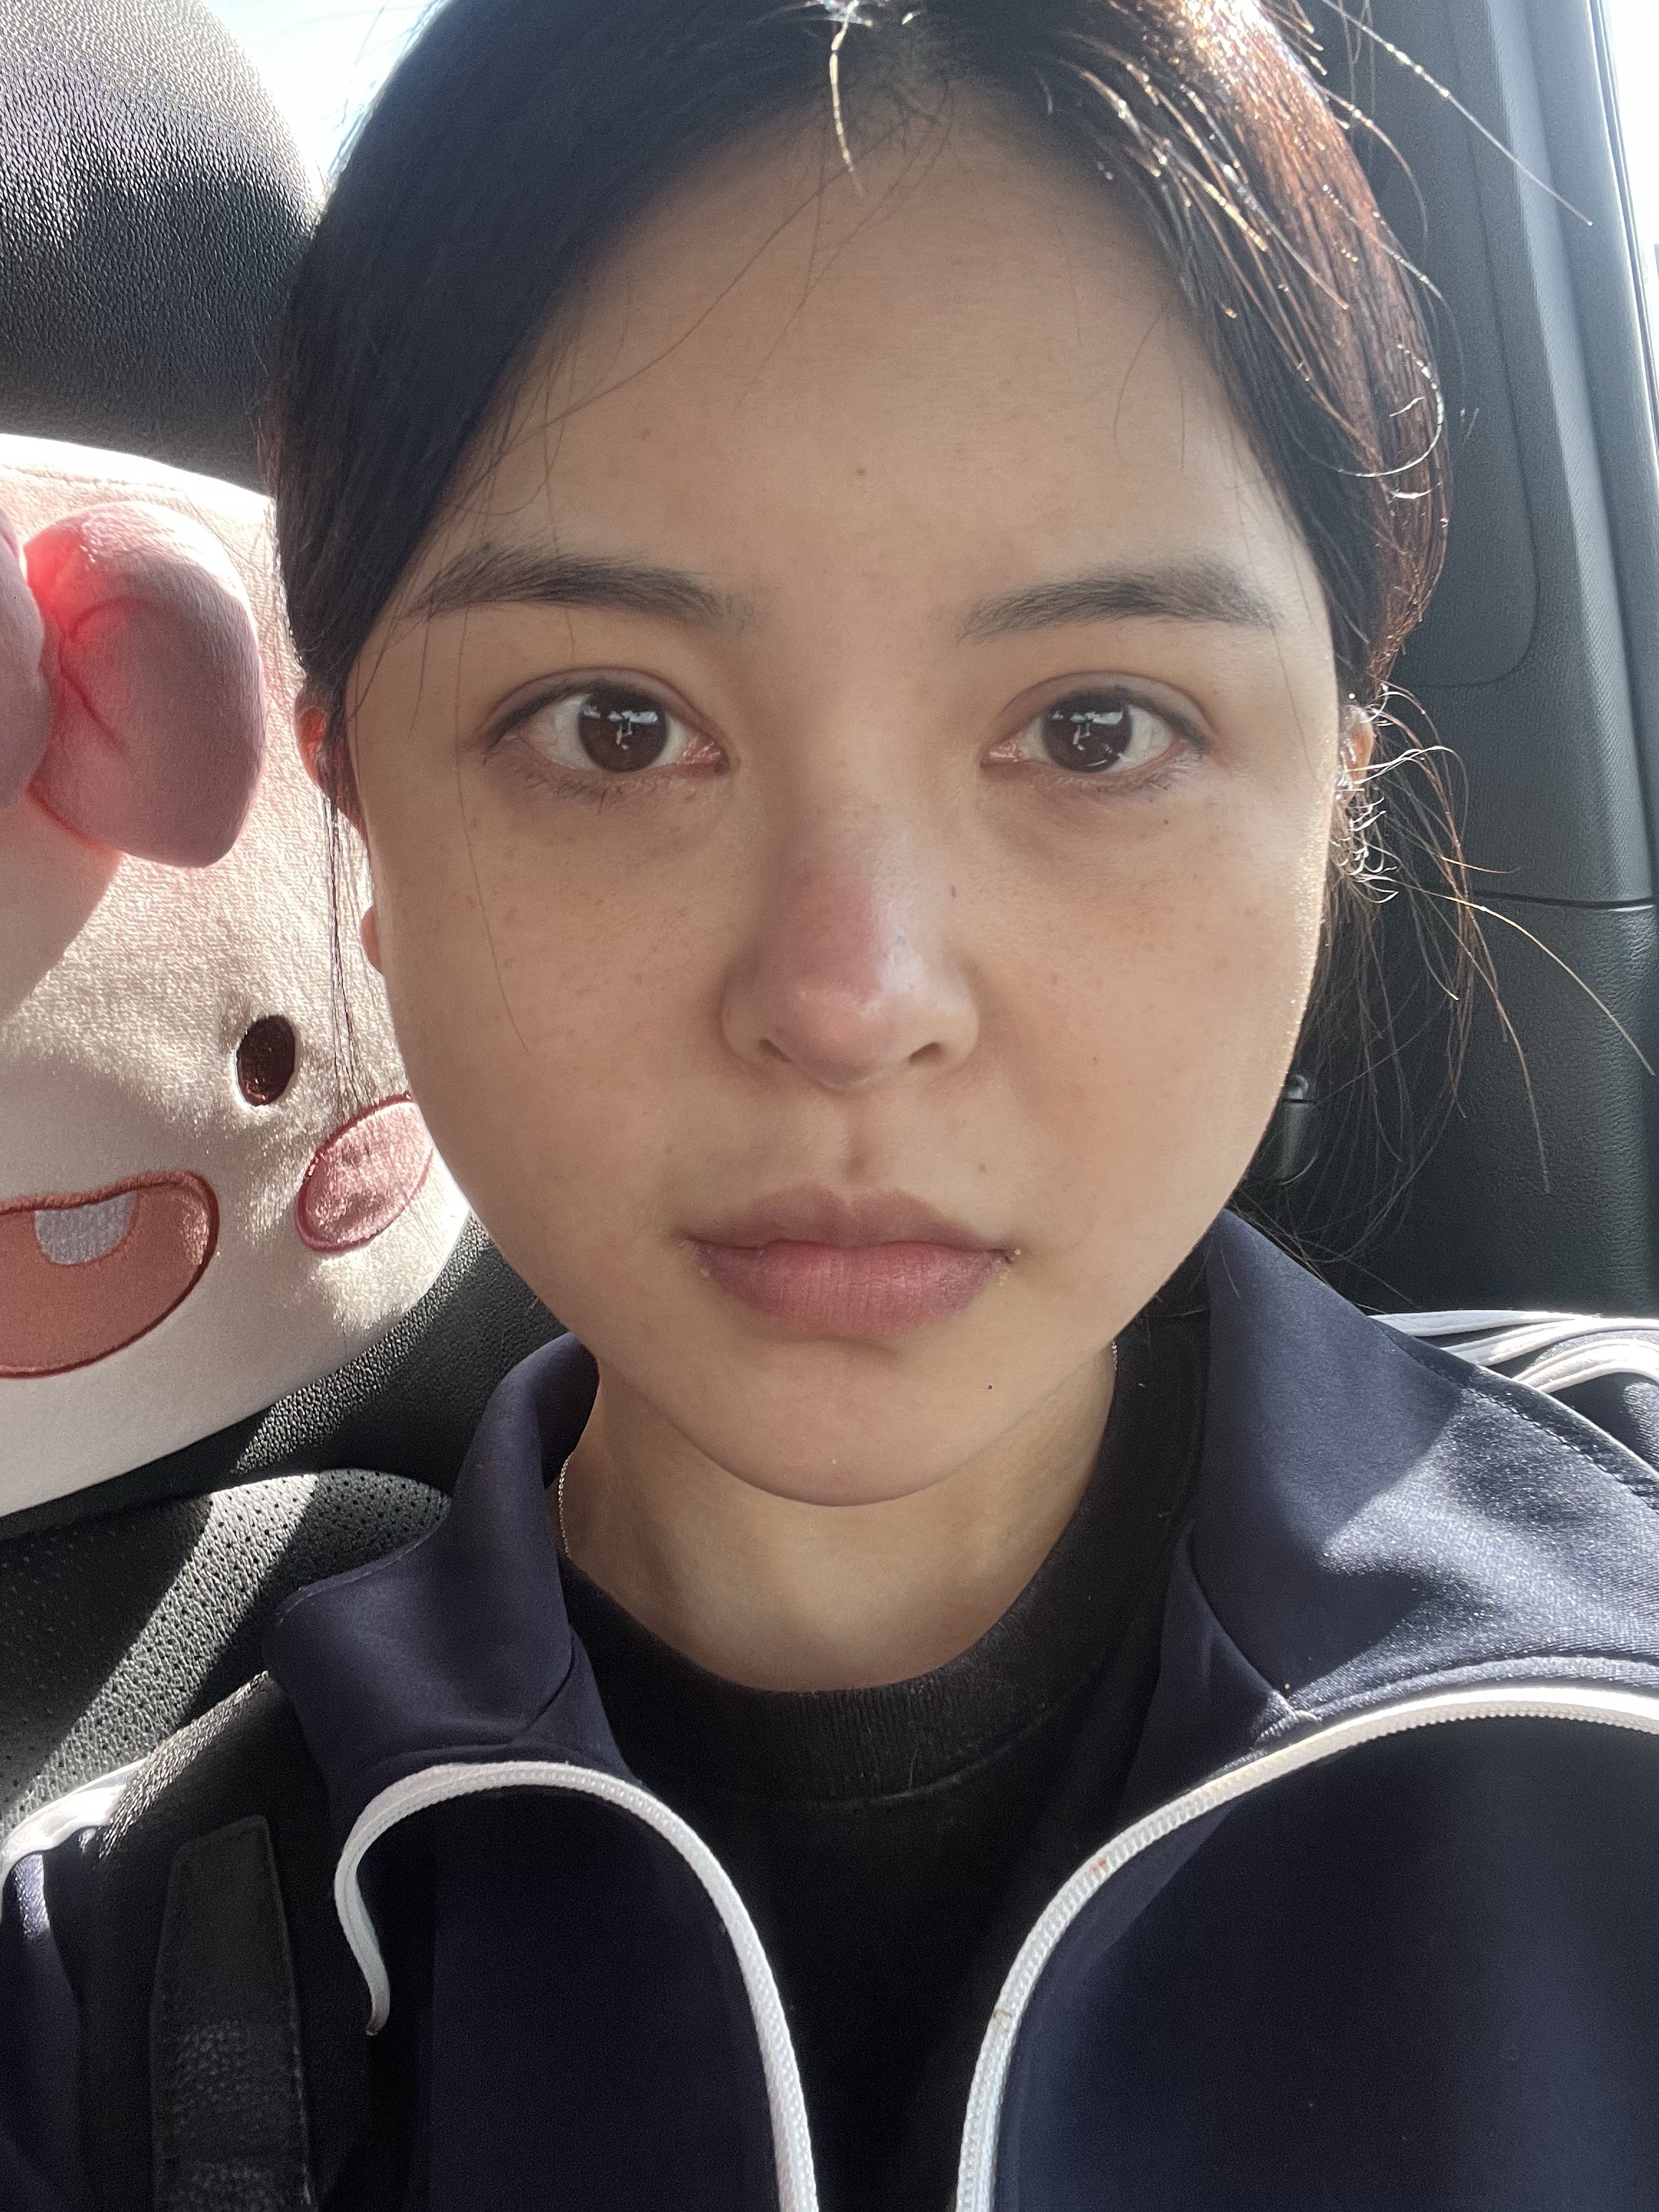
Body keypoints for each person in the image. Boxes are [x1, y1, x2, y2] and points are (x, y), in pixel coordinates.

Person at [9, 2, 1659, 2208]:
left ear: (1332, 795)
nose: (849, 1003)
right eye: (609, 726)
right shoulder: (105, 1986)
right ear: (360, 819)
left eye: (1095, 729)